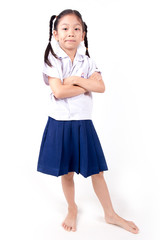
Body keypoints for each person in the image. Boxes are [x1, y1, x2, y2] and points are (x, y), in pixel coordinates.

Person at [37, 9, 139, 234]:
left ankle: (110, 214)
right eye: (64, 28)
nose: (70, 33)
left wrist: (73, 80)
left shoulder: (87, 62)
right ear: (55, 34)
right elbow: (58, 92)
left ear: (83, 34)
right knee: (66, 173)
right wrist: (84, 84)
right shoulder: (52, 60)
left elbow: (100, 87)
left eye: (76, 29)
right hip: (60, 123)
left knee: (97, 172)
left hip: (84, 124)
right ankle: (72, 207)